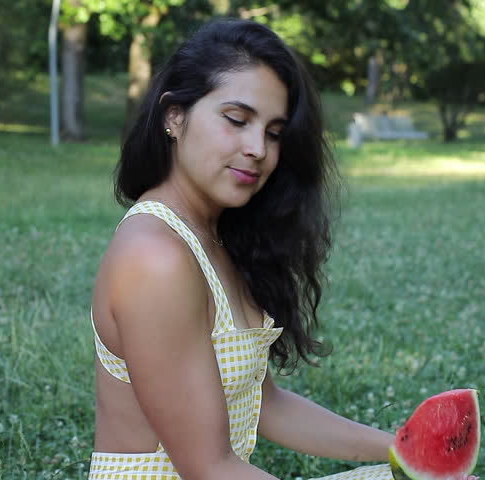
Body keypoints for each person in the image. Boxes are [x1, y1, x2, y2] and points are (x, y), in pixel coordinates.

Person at [88, 19, 454, 480]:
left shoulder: (215, 237)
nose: (258, 148)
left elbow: (268, 406)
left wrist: (403, 452)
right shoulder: (155, 259)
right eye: (237, 120)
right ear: (173, 116)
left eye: (275, 132)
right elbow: (208, 467)